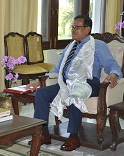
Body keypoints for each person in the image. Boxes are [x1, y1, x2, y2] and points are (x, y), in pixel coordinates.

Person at [27, 15, 122, 151]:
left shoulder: (98, 45)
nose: (73, 30)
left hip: (89, 82)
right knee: (42, 93)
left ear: (87, 29)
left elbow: (111, 64)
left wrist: (113, 74)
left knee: (75, 94)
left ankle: (73, 136)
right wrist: (39, 81)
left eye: (77, 27)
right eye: (72, 27)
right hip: (66, 83)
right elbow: (58, 68)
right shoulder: (69, 46)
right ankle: (43, 134)